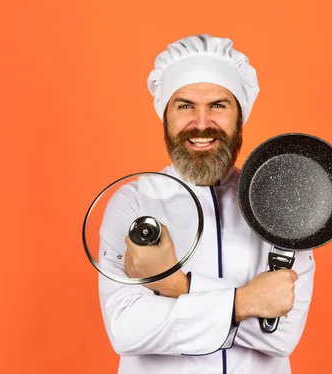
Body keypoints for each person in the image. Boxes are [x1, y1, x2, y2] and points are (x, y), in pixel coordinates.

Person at [98, 34, 316, 374]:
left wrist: (177, 288)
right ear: (165, 117)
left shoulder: (282, 202)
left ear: (239, 116)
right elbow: (127, 329)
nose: (201, 123)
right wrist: (244, 303)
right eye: (185, 106)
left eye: (218, 105)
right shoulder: (133, 204)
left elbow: (281, 337)